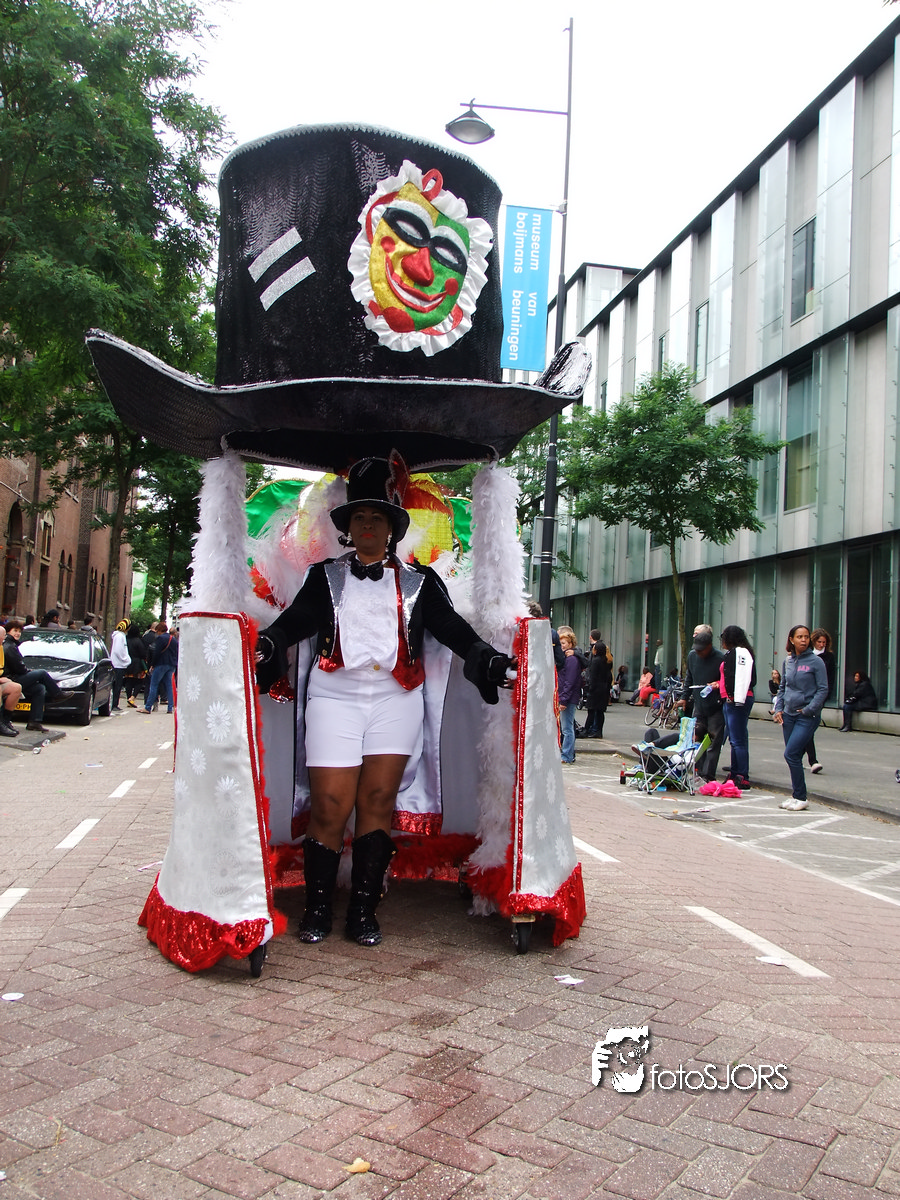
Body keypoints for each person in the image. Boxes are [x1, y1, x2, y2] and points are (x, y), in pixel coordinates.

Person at [254, 457, 516, 947]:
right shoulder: (323, 576)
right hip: (334, 696)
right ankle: (317, 908)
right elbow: (298, 619)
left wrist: (487, 657)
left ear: (393, 527)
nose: (368, 524)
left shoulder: (421, 581)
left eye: (377, 517)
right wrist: (270, 641)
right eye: (359, 517)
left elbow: (452, 629)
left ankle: (363, 910)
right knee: (330, 803)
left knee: (377, 801)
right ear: (348, 527)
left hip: (396, 700)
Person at [773, 624, 828, 811]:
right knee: (793, 756)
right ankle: (797, 795)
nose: (803, 640)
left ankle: (801, 797)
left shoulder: (816, 662)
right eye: (799, 637)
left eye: (806, 637)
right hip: (788, 715)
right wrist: (778, 708)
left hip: (807, 716)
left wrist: (809, 709)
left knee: (790, 753)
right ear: (792, 639)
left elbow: (823, 689)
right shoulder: (788, 661)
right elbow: (783, 687)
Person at [2, 618, 74, 732]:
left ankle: (35, 722)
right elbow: (18, 667)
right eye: (15, 630)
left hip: (13, 677)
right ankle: (57, 694)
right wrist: (28, 672)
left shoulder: (11, 645)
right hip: (12, 679)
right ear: (8, 632)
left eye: (19, 631)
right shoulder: (9, 646)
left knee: (39, 688)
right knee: (42, 673)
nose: (18, 633)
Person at [683, 629, 725, 783]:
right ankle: (698, 771)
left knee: (713, 741)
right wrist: (684, 697)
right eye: (697, 650)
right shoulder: (692, 656)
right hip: (699, 704)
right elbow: (689, 677)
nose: (699, 653)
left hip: (715, 705)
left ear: (709, 646)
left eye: (702, 650)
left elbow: (726, 681)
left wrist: (717, 685)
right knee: (697, 739)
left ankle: (708, 774)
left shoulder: (720, 658)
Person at [719, 625, 756, 789]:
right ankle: (735, 772)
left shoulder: (739, 654)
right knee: (736, 739)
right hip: (731, 699)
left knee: (737, 740)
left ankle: (742, 775)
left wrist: (734, 697)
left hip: (736, 700)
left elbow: (742, 677)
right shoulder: (735, 653)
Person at [805, 628, 836, 770]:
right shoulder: (807, 655)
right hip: (806, 694)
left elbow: (831, 678)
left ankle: (799, 756)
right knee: (807, 728)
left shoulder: (829, 657)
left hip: (819, 696)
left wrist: (825, 696)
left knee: (809, 727)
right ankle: (812, 760)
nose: (821, 645)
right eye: (819, 642)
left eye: (824, 642)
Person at [140, 622, 178, 714]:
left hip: (161, 664)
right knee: (169, 686)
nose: (156, 633)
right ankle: (170, 707)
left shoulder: (160, 638)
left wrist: (153, 664)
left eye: (157, 631)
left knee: (154, 685)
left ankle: (148, 707)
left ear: (160, 630)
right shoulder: (173, 639)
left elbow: (156, 652)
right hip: (171, 665)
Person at [556, 627, 581, 763]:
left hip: (568, 697)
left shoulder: (571, 660)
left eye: (564, 643)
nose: (562, 646)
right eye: (561, 643)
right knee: (566, 727)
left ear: (570, 644)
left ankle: (567, 755)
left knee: (567, 728)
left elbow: (569, 681)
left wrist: (564, 699)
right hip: (566, 696)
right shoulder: (567, 659)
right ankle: (567, 754)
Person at [584, 630, 612, 739]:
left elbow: (593, 676)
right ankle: (598, 731)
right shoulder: (606, 661)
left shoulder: (596, 661)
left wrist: (590, 687)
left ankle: (588, 729)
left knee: (591, 711)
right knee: (600, 712)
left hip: (595, 689)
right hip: (603, 688)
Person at [124, 623, 149, 708]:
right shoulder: (138, 641)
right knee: (139, 681)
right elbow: (143, 653)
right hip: (137, 664)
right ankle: (133, 697)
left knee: (128, 681)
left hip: (127, 663)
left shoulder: (125, 640)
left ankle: (128, 698)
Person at [109, 620, 131, 711]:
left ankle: (115, 704)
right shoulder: (120, 636)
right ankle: (114, 704)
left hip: (119, 664)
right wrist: (126, 660)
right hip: (118, 665)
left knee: (117, 686)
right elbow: (119, 650)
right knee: (117, 686)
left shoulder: (120, 636)